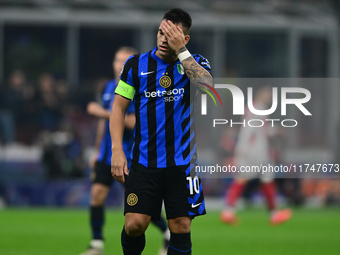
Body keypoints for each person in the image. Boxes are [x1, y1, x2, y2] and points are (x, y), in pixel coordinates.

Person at [110, 8, 213, 255]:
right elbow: (118, 110)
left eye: (171, 34)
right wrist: (117, 150)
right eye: (161, 32)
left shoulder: (196, 62)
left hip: (183, 163)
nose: (164, 39)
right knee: (135, 225)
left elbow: (209, 88)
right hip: (145, 162)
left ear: (185, 39)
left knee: (181, 225)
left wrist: (183, 53)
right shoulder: (135, 65)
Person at [81, 47, 170, 255]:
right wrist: (96, 151)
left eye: (124, 60)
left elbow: (131, 121)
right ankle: (96, 243)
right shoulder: (108, 87)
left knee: (140, 208)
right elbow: (106, 126)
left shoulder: (139, 87)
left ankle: (166, 232)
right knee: (96, 195)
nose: (119, 64)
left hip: (130, 156)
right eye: (116, 60)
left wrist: (100, 112)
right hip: (107, 153)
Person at [220, 86, 292, 226]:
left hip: (252, 151)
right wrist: (242, 148)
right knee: (264, 180)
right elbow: (250, 129)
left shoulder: (253, 108)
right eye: (268, 95)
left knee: (245, 180)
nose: (270, 98)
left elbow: (259, 129)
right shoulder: (258, 108)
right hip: (256, 152)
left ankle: (228, 212)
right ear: (262, 95)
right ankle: (274, 214)